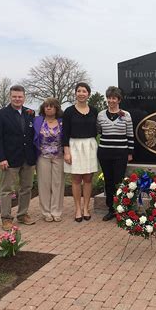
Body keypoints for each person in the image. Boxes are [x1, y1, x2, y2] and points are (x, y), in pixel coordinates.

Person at [0, 85, 36, 231]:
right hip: (9, 159)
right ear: (10, 97)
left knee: (27, 187)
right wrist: (1, 158)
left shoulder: (30, 113)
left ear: (24, 97)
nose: (17, 99)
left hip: (28, 158)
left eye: (20, 96)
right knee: (7, 190)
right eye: (14, 96)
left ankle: (22, 214)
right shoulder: (0, 114)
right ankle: (6, 218)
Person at [97, 86, 134, 221]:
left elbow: (130, 134)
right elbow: (99, 130)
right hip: (104, 152)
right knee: (108, 181)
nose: (111, 100)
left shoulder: (126, 115)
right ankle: (111, 209)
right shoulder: (101, 115)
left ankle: (121, 209)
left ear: (119, 99)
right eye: (109, 98)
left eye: (114, 98)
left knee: (119, 181)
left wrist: (130, 152)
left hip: (121, 153)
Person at [63, 82, 98, 222]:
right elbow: (64, 133)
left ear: (88, 94)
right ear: (75, 93)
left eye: (84, 91)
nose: (81, 93)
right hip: (74, 146)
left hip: (90, 145)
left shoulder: (94, 111)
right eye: (79, 91)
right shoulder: (69, 111)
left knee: (88, 178)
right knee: (76, 179)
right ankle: (77, 208)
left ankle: (86, 208)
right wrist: (66, 151)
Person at [33, 98, 65, 222]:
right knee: (44, 184)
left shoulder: (62, 122)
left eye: (51, 106)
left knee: (58, 184)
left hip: (59, 157)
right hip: (43, 157)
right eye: (46, 106)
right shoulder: (38, 121)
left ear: (56, 108)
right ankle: (46, 212)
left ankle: (56, 211)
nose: (48, 108)